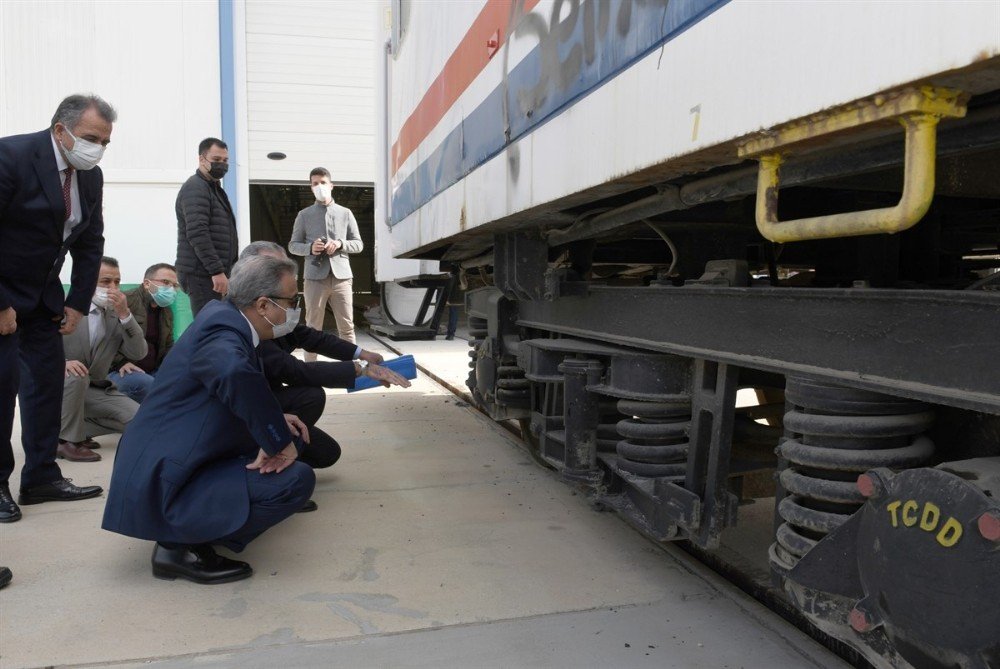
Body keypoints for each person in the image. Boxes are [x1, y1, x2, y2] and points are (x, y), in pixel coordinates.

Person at [102, 254, 316, 584]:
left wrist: (275, 422)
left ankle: (206, 519)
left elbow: (225, 388)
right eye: (292, 299)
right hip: (167, 473)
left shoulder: (226, 316)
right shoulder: (223, 328)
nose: (294, 308)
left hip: (186, 449)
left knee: (295, 439)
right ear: (262, 304)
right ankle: (180, 546)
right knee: (294, 478)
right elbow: (232, 371)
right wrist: (276, 441)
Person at [0, 94, 114, 523]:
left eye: (104, 141)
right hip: (3, 294)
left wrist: (78, 303)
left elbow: (90, 242)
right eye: (90, 138)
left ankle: (41, 477)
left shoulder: (90, 176)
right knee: (1, 391)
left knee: (46, 388)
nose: (97, 148)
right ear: (60, 129)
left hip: (44, 300)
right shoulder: (11, 156)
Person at [239, 242, 408, 487]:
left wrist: (362, 353)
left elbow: (310, 337)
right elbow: (295, 371)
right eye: (274, 269)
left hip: (264, 398)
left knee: (326, 453)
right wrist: (361, 370)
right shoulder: (246, 322)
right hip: (241, 414)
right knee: (310, 396)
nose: (284, 275)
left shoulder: (271, 312)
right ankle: (263, 470)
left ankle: (278, 449)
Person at [59, 257, 146, 462]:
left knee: (141, 421)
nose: (112, 288)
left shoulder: (117, 315)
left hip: (94, 388)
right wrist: (60, 362)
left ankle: (76, 430)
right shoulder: (63, 307)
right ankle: (66, 442)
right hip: (59, 384)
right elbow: (32, 345)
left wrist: (125, 315)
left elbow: (138, 353)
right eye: (105, 282)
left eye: (117, 282)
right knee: (75, 374)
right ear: (88, 280)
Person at [288, 167, 363, 351]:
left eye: (322, 182)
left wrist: (340, 244)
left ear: (331, 185)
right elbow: (292, 245)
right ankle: (311, 374)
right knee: (312, 328)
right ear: (311, 187)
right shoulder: (304, 215)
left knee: (346, 327)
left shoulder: (345, 213)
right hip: (314, 278)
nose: (319, 186)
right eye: (315, 184)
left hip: (342, 278)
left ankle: (351, 372)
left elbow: (359, 244)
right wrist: (310, 248)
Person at [175, 138, 238, 316]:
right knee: (208, 326)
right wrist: (216, 271)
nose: (222, 165)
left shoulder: (213, 188)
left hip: (212, 273)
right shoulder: (196, 188)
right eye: (216, 160)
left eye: (225, 161)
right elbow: (197, 232)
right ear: (202, 159)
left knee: (216, 324)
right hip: (201, 274)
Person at [107, 263, 178, 403]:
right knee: (151, 387)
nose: (171, 288)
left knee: (184, 383)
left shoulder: (167, 312)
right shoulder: (125, 301)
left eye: (175, 285)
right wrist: (119, 363)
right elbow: (104, 337)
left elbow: (168, 346)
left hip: (153, 371)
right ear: (147, 283)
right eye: (165, 282)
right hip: (120, 370)